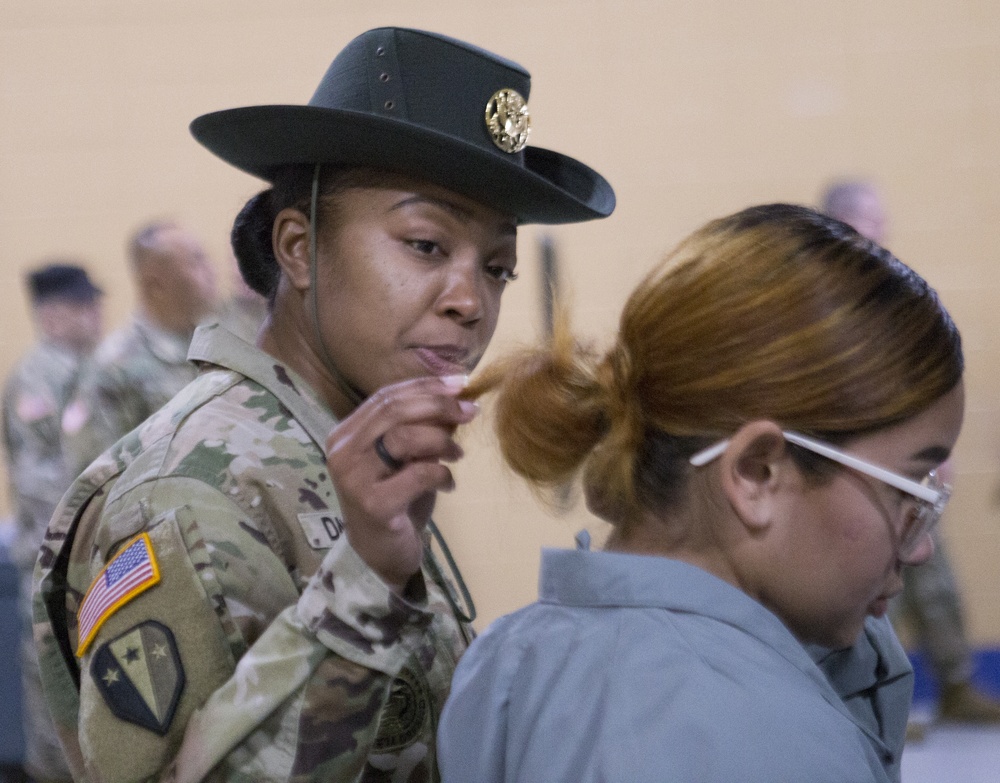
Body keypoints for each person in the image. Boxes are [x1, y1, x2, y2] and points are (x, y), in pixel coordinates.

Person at [34, 26, 614, 783]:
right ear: (300, 248)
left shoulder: (340, 449)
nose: (472, 301)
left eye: (497, 266)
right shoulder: (188, 493)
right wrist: (364, 586)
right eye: (426, 245)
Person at [437, 203, 963, 783]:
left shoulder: (506, 663)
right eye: (908, 491)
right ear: (757, 473)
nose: (920, 549)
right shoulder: (767, 744)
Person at [821, 178, 1000, 724]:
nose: (881, 230)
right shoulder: (821, 299)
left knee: (934, 578)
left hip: (911, 466)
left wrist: (936, 450)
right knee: (874, 589)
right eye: (867, 219)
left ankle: (955, 685)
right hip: (859, 468)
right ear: (840, 223)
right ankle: (875, 701)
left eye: (881, 219)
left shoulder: (894, 294)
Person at [2, 263, 103, 783]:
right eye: (85, 307)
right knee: (56, 695)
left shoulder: (76, 369)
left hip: (66, 559)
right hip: (54, 560)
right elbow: (49, 477)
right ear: (53, 314)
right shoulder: (45, 374)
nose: (98, 318)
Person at [61, 220, 218, 476]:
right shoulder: (114, 367)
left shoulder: (216, 343)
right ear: (155, 285)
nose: (212, 272)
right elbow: (95, 478)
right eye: (196, 262)